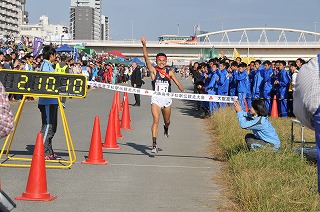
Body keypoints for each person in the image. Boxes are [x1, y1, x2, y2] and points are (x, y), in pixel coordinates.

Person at [141, 37, 184, 153]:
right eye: (159, 60)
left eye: (163, 61)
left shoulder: (170, 72)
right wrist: (144, 45)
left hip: (167, 100)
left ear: (166, 61)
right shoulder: (154, 71)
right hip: (156, 99)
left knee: (167, 120)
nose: (161, 62)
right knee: (156, 120)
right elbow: (146, 58)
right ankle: (154, 144)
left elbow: (177, 82)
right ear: (156, 61)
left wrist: (182, 90)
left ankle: (166, 128)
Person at [38, 45, 61, 160]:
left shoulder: (50, 66)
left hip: (53, 100)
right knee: (48, 126)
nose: (56, 57)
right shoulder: (46, 66)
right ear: (51, 55)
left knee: (53, 127)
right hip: (47, 100)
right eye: (54, 55)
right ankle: (42, 151)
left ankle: (49, 150)